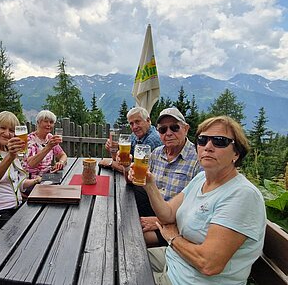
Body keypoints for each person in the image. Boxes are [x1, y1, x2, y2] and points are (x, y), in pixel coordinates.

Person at [130, 116, 266, 284]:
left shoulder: (242, 195)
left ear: (236, 153)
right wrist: (149, 184)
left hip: (186, 280)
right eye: (202, 140)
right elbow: (167, 215)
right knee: (121, 254)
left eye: (220, 141)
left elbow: (208, 264)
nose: (208, 147)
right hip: (173, 261)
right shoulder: (201, 179)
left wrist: (173, 238)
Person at [139, 107, 202, 247]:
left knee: (134, 237)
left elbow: (198, 208)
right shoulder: (156, 153)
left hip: (176, 224)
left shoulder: (198, 159)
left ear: (186, 129)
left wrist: (158, 221)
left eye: (174, 128)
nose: (168, 133)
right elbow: (144, 184)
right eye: (163, 129)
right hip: (153, 209)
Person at [0, 111, 41, 235]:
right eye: (3, 128)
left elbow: (17, 184)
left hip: (14, 207)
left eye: (11, 130)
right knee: (27, 236)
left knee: (40, 223)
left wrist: (37, 181)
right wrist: (11, 156)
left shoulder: (9, 151)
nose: (7, 133)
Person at [99, 106, 161, 172]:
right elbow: (123, 162)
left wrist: (111, 163)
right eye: (131, 124)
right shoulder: (135, 135)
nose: (134, 127)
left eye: (137, 122)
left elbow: (138, 170)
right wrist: (113, 149)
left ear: (148, 120)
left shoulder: (152, 139)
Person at [25, 110, 67, 178]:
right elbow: (31, 164)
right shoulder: (30, 139)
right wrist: (48, 147)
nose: (49, 125)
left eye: (51, 122)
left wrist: (61, 162)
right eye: (45, 121)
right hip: (30, 180)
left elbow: (63, 155)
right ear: (38, 123)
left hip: (47, 177)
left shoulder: (50, 137)